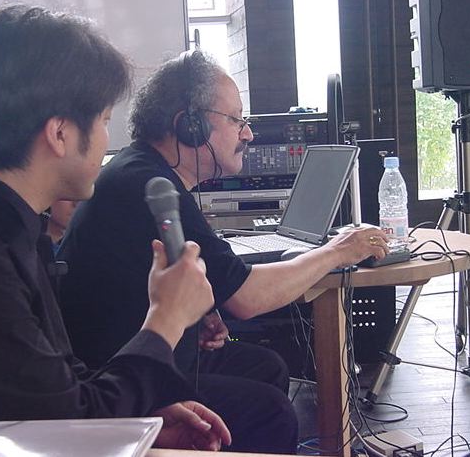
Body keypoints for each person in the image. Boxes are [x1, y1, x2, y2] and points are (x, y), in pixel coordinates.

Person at [0, 5, 232, 452]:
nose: (108, 139)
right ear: (60, 134)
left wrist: (136, 419)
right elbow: (62, 430)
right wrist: (166, 319)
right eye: (104, 120)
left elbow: (55, 386)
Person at [58, 51, 389, 453]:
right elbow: (246, 298)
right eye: (236, 119)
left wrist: (198, 313)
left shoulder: (143, 170)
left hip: (128, 353)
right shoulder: (149, 185)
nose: (248, 134)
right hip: (115, 378)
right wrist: (337, 252)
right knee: (269, 412)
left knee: (265, 366)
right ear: (190, 125)